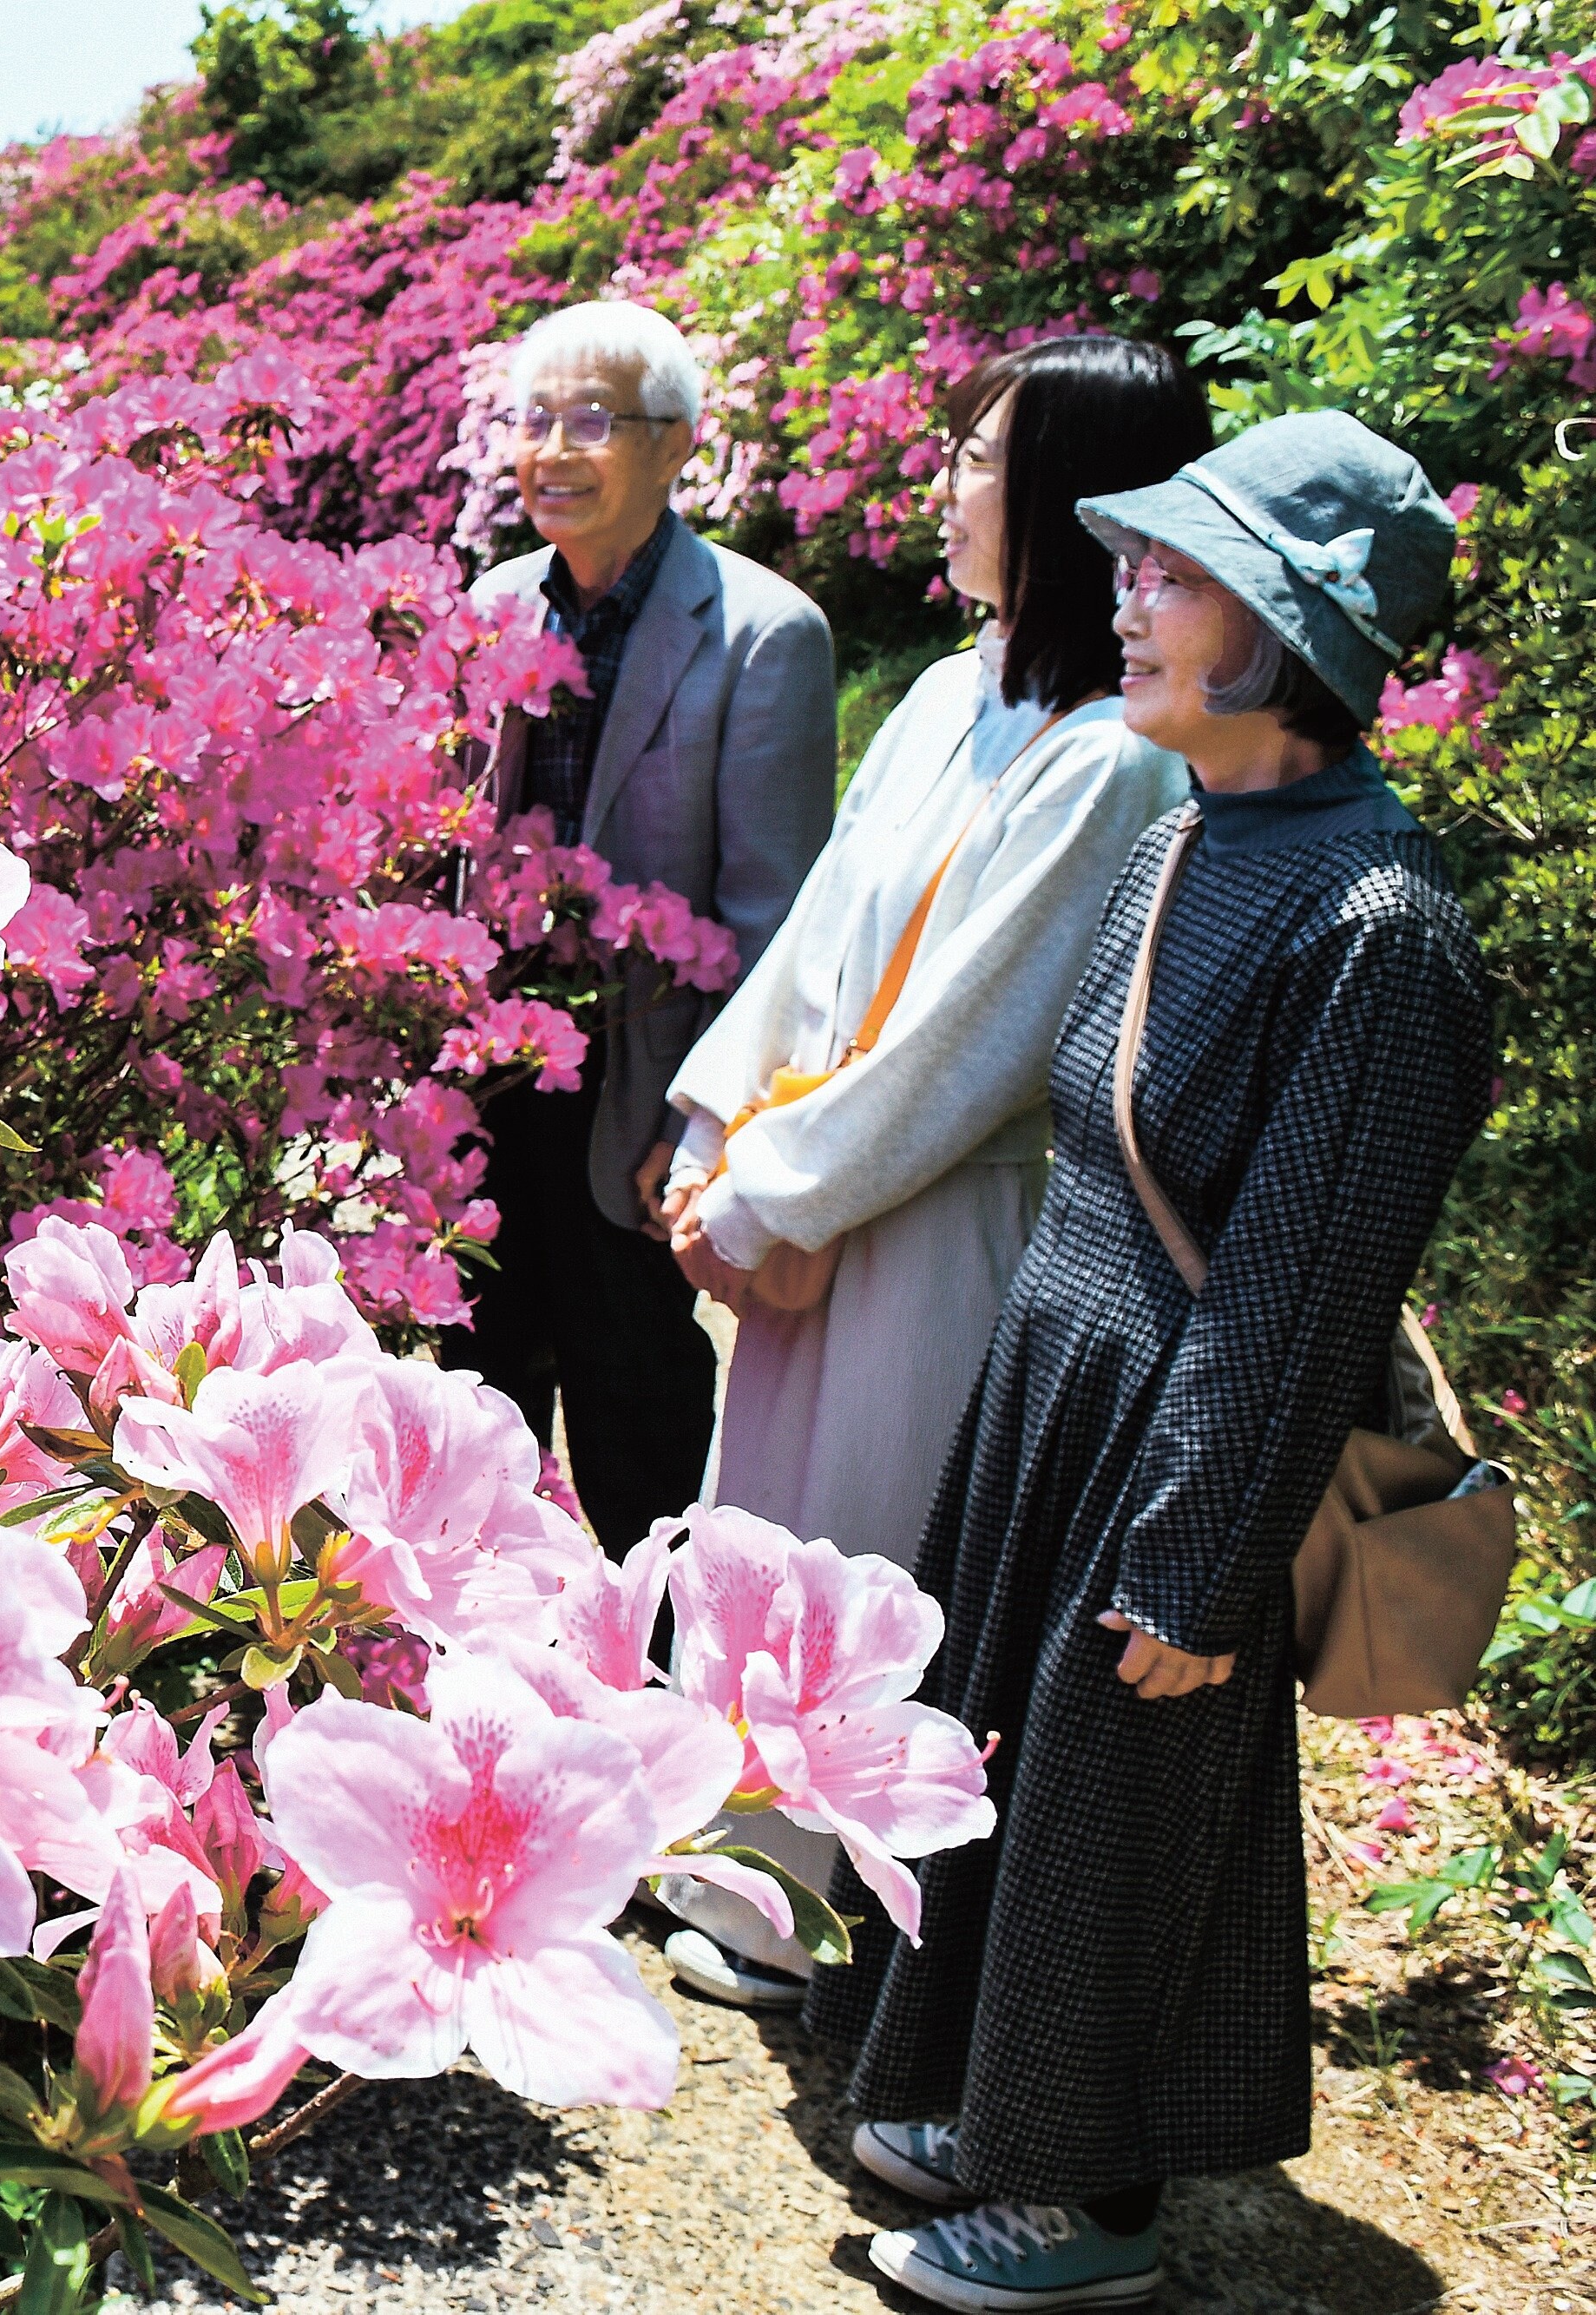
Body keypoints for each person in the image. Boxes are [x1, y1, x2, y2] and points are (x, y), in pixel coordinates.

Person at [803, 410, 1488, 2312]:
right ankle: (986, 2100)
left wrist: (1199, 1563)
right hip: (1068, 1377)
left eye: (1173, 576)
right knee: (1013, 1762)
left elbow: (1297, 1295)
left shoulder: (1376, 923)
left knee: (1120, 1796)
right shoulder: (1187, 824)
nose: (1123, 599)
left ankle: (1088, 2199)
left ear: (1283, 633)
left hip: (1185, 1426)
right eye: (1138, 565)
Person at [644, 338, 1210, 2012]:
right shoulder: (954, 695)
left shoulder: (1114, 756)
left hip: (948, 1220)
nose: (949, 487)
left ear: (1073, 501)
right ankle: (739, 1872)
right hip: (821, 1187)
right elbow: (820, 937)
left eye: (982, 459)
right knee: (771, 1528)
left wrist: (765, 1187)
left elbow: (972, 1051)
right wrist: (715, 1128)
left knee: (875, 1548)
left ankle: (835, 1925)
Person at [452, 302, 836, 1552]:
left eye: (591, 421)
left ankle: (659, 1656)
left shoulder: (764, 635)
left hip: (640, 1097)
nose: (551, 451)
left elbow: (772, 920)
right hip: (493, 1091)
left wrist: (699, 1122)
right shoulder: (495, 608)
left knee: (639, 1440)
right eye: (533, 421)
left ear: (676, 444)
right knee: (478, 1424)